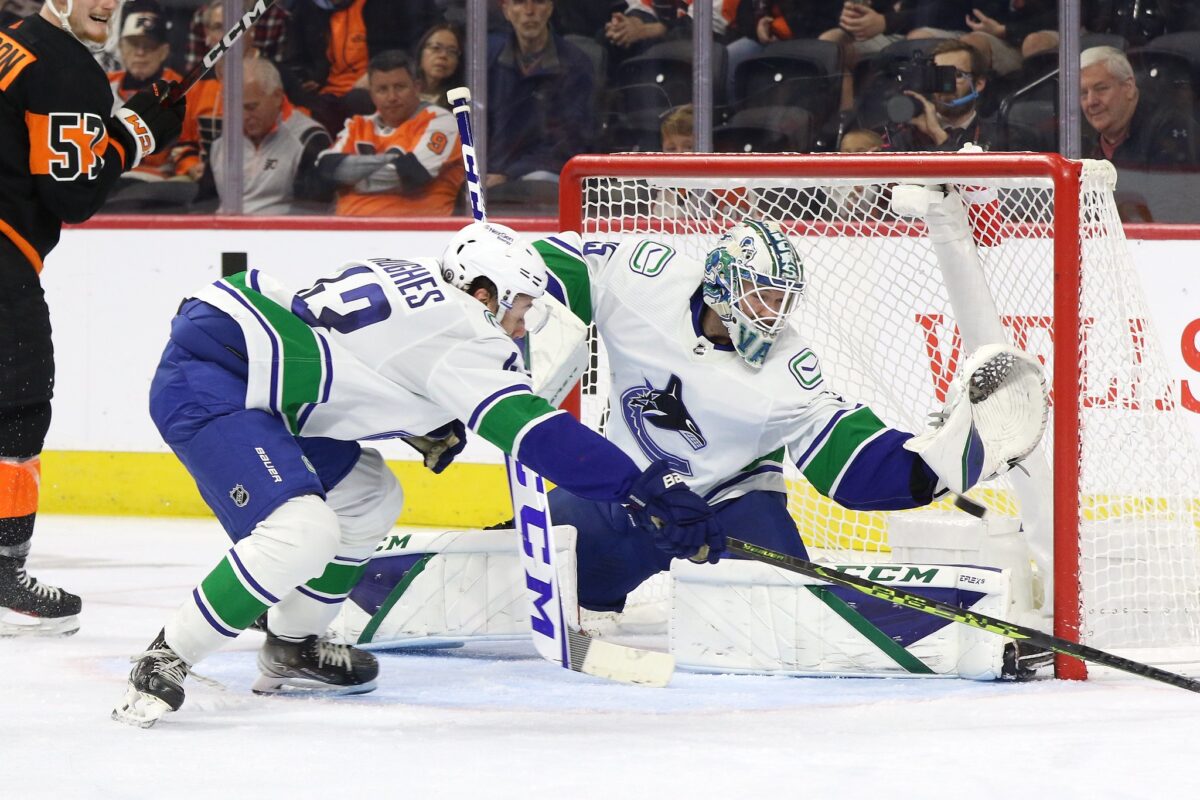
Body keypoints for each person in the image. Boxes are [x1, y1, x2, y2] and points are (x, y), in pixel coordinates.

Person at [111, 221, 723, 727]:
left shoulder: (421, 277)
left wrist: (419, 414)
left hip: (260, 377)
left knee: (369, 495)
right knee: (304, 531)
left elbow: (355, 354)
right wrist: (642, 486)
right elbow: (534, 433)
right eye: (519, 306)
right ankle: (168, 655)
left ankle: (292, 645)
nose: (523, 323)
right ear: (483, 292)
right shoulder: (463, 332)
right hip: (217, 383)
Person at [525, 212, 1043, 616]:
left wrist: (934, 468)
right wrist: (505, 306)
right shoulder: (645, 280)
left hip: (729, 510)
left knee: (787, 621)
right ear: (723, 283)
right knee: (499, 581)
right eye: (763, 298)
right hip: (627, 492)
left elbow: (848, 459)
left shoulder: (789, 369)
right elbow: (554, 264)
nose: (773, 316)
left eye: (782, 302)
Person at [0, 0, 185, 635]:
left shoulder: (7, 40)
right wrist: (136, 134)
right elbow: (71, 194)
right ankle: (3, 580)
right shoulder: (69, 69)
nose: (106, 3)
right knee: (18, 405)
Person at [316, 50, 464, 216]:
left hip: (418, 233)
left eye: (399, 87)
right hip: (347, 232)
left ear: (417, 87)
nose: (392, 97)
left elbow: (415, 174)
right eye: (382, 89)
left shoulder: (441, 121)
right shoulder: (357, 125)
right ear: (371, 94)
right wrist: (391, 161)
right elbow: (325, 169)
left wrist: (349, 180)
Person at [279, 0, 442, 135]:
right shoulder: (308, 8)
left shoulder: (388, 6)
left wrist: (375, 74)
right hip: (326, 92)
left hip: (371, 89)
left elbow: (416, 44)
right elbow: (296, 58)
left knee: (357, 102)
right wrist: (307, 76)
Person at [486, 0, 595, 188]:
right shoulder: (488, 59)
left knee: (539, 182)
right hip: (492, 173)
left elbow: (568, 141)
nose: (530, 11)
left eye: (538, 2)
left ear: (550, 8)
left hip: (544, 172)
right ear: (506, 11)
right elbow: (477, 126)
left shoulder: (575, 64)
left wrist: (508, 175)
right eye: (520, 3)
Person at [206, 58, 333, 214]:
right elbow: (205, 203)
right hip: (223, 233)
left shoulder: (309, 138)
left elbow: (314, 212)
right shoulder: (222, 141)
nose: (243, 116)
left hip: (280, 234)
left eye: (251, 107)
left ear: (277, 97)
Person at [1080, 45, 1197, 168]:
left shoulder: (1168, 128)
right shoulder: (1076, 135)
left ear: (1128, 87)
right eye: (1083, 93)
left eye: (1101, 89)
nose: (1091, 101)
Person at [882, 40, 1010, 152]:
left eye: (957, 75)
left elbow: (967, 177)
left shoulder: (1001, 135)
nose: (945, 84)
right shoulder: (905, 136)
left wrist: (938, 134)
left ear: (979, 84)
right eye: (938, 75)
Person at [415, 22, 464, 111]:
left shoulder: (461, 105)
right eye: (436, 48)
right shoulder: (404, 95)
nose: (443, 55)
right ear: (421, 53)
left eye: (452, 51)